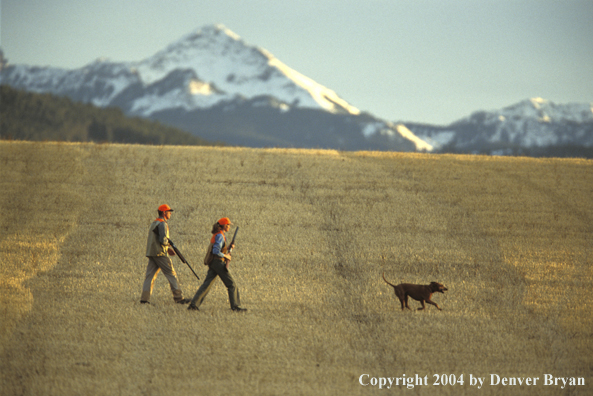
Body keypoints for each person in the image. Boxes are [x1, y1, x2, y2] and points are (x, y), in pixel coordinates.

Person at [188, 217, 246, 312]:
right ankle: (235, 306)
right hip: (218, 262)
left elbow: (219, 248)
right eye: (228, 225)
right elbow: (216, 251)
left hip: (214, 263)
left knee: (206, 284)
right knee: (231, 284)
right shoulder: (220, 236)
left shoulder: (219, 235)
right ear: (224, 226)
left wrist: (228, 248)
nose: (229, 227)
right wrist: (226, 256)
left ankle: (193, 305)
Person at [140, 204, 191, 305]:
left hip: (152, 253)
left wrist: (168, 248)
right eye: (169, 211)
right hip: (160, 253)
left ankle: (144, 300)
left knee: (149, 276)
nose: (170, 213)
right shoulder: (163, 224)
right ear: (164, 213)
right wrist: (168, 246)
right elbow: (163, 240)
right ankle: (179, 298)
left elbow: (155, 239)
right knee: (171, 274)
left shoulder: (154, 223)